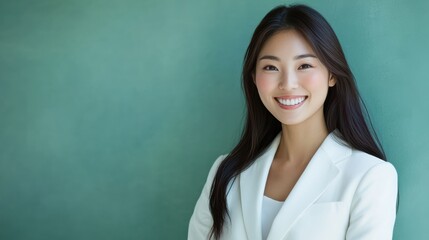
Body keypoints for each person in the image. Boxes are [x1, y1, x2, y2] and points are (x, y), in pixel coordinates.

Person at [188, 4, 398, 240]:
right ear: (254, 79)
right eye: (271, 67)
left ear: (332, 75)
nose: (288, 83)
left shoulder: (370, 176)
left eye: (304, 66)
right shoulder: (225, 173)